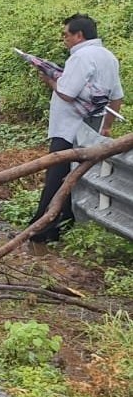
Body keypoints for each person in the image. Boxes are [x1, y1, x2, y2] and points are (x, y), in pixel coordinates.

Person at [27, 13, 124, 250]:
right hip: (92, 128)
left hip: (68, 129)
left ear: (79, 35)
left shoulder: (80, 57)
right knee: (74, 177)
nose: (65, 40)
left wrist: (50, 80)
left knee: (56, 177)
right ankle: (63, 224)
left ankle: (41, 230)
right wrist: (107, 126)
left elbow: (67, 93)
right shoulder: (108, 57)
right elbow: (117, 96)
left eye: (66, 35)